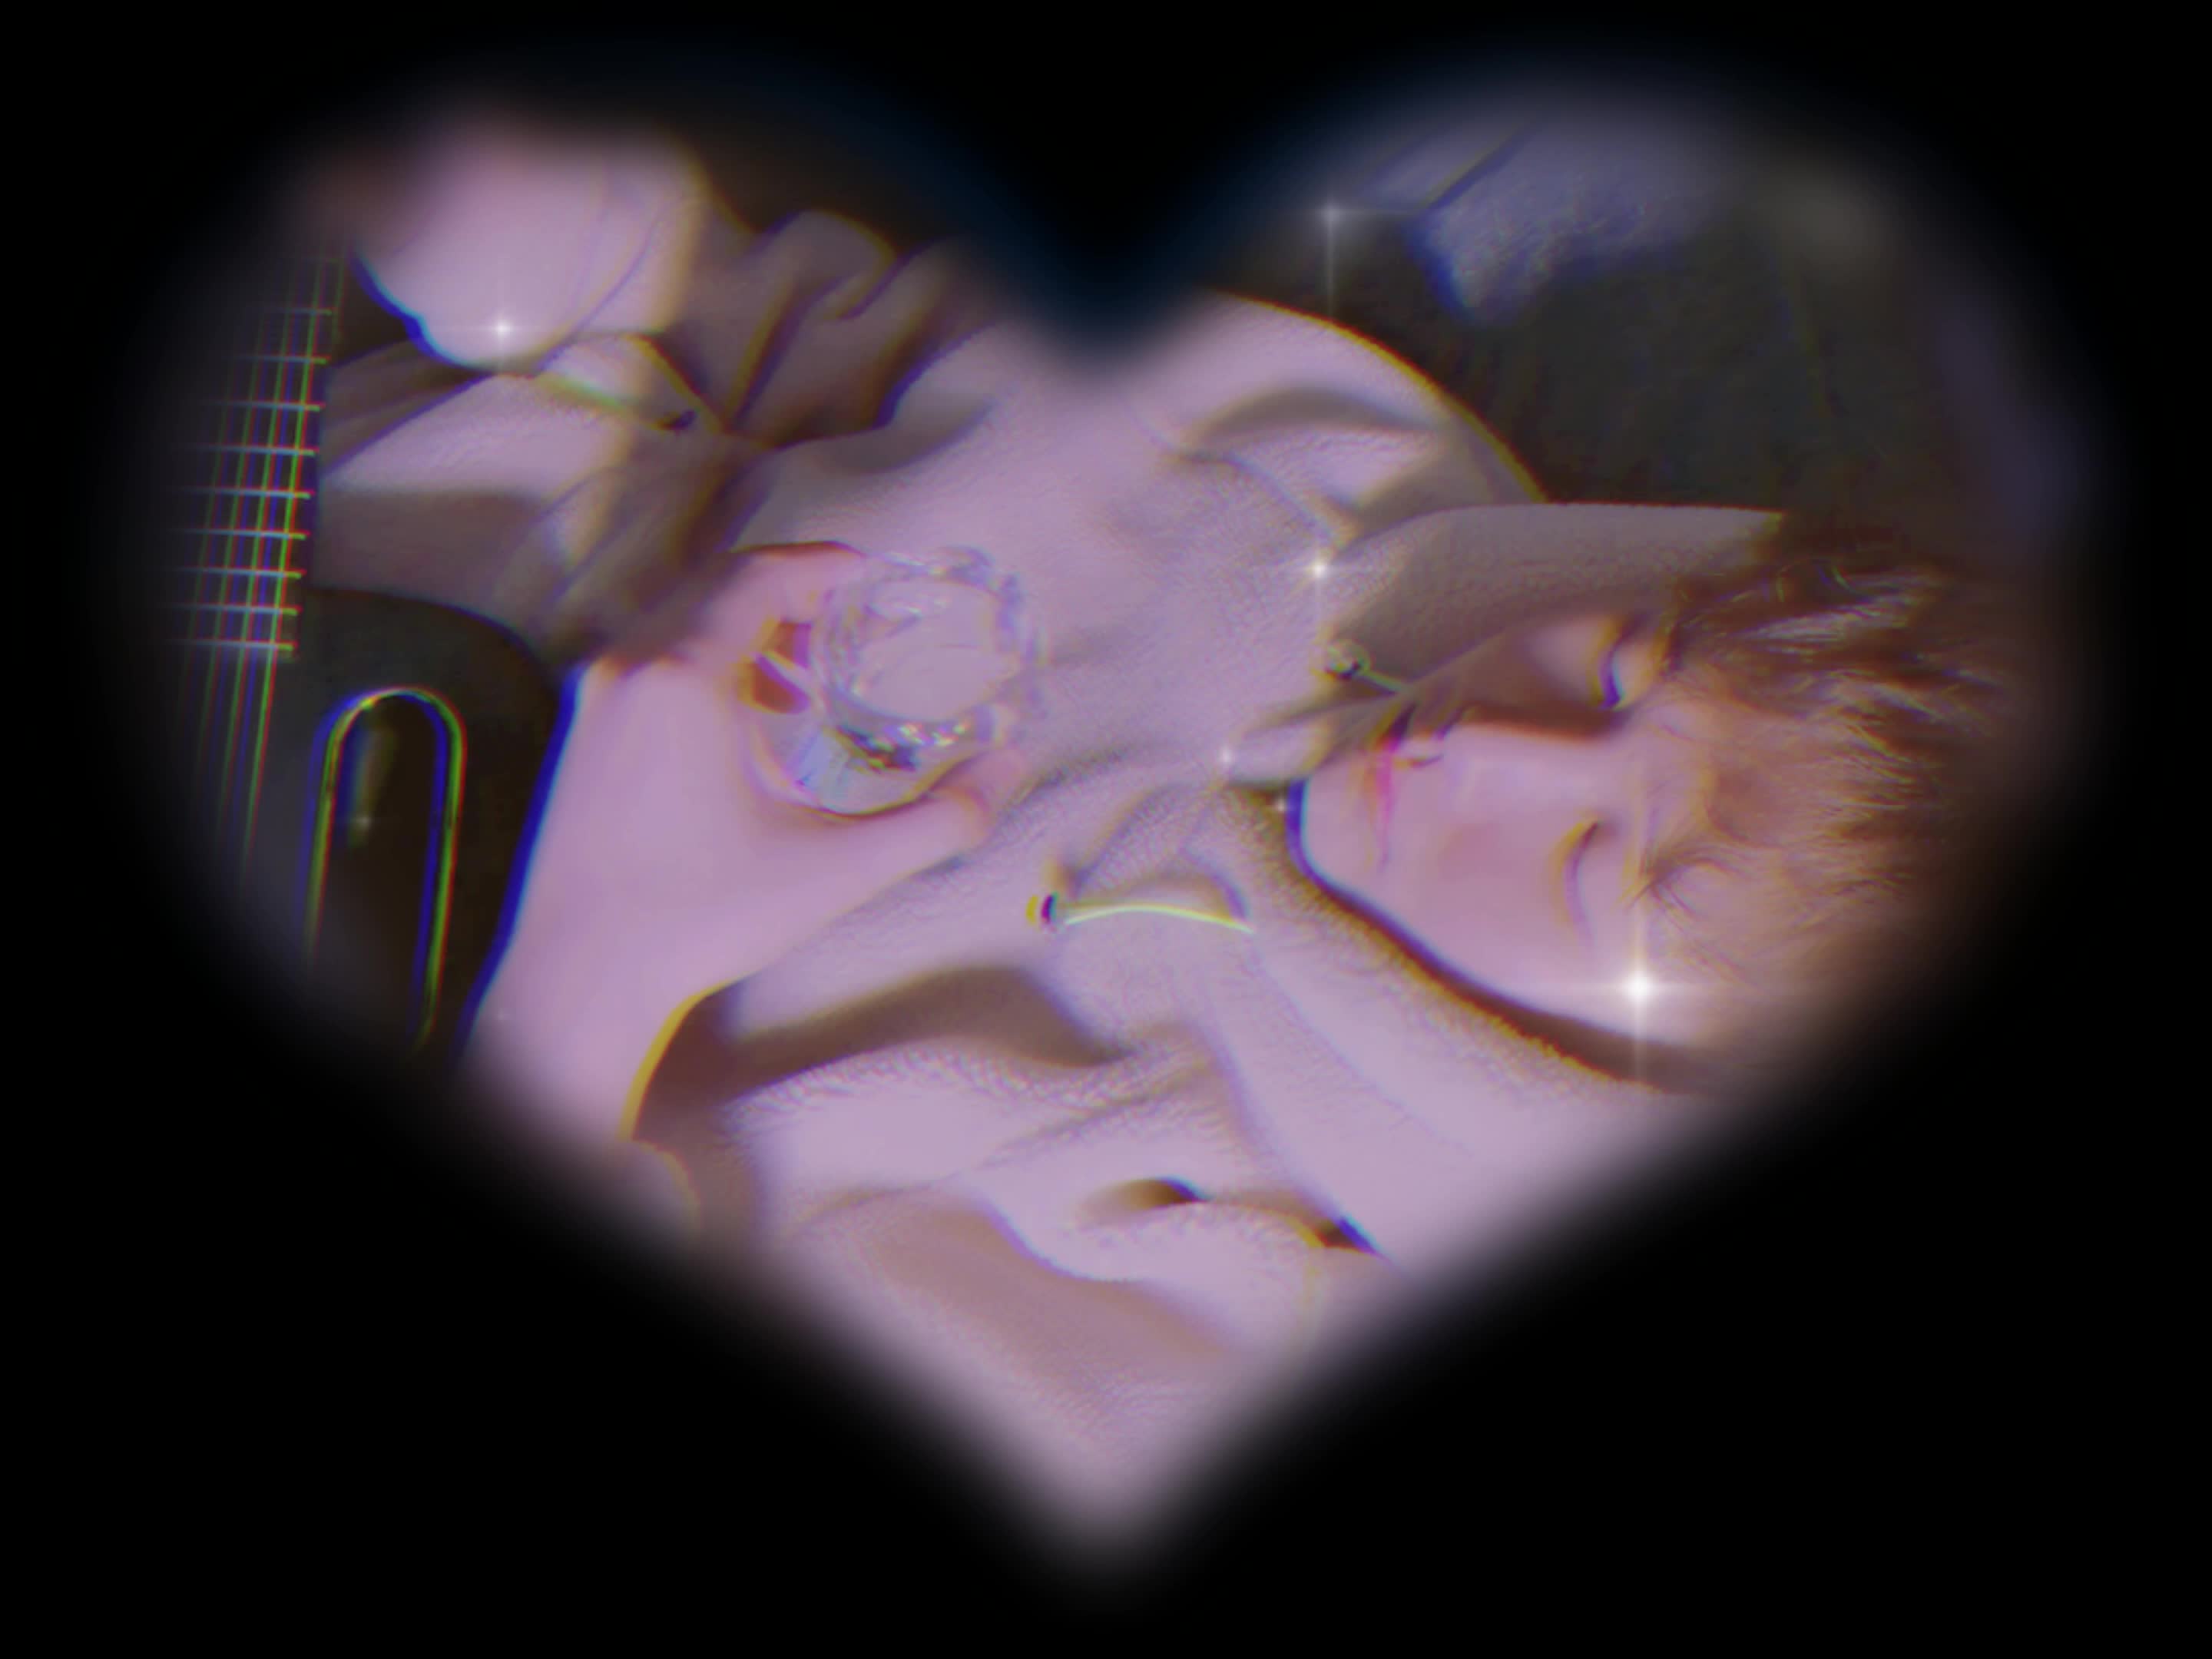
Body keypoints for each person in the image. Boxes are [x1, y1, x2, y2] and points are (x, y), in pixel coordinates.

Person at [302, 108, 2054, 1554]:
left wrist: (599, 963)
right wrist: (573, 258)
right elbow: (830, 340)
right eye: (1621, 664)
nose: (1491, 751)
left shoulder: (1217, 1306)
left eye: (1601, 874)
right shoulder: (1341, 461)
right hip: (318, 426)